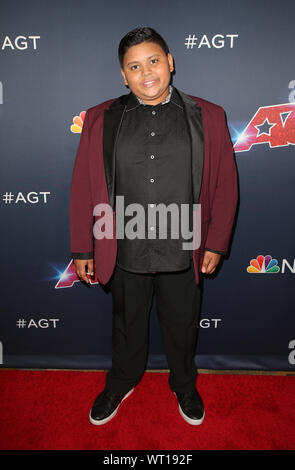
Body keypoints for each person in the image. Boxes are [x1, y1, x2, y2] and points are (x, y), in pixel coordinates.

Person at [69, 27, 238, 426]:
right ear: (123, 76)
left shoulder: (209, 116)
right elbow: (82, 187)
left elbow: (225, 185)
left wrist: (215, 242)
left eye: (154, 61)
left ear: (171, 63)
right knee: (126, 324)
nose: (147, 72)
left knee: (182, 324)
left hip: (185, 243)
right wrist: (82, 248)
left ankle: (184, 383)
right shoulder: (99, 119)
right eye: (134, 66)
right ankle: (122, 380)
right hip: (123, 243)